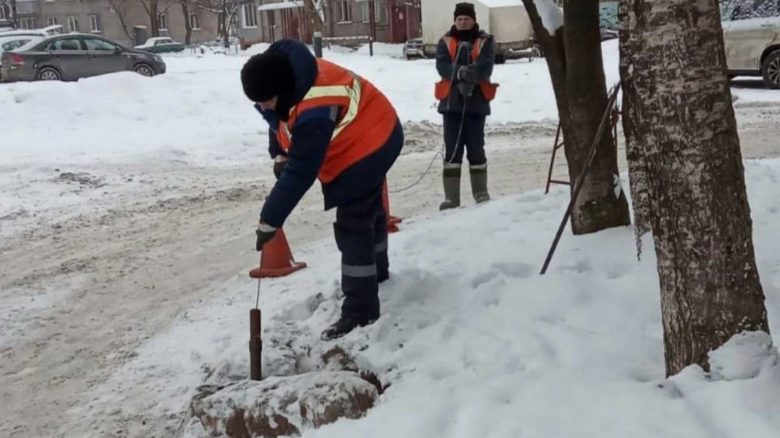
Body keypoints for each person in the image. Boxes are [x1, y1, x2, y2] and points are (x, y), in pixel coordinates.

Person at [241, 39, 403, 340]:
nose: (261, 107)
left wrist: (270, 220)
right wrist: (279, 152)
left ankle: (360, 311)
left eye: (265, 100)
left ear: (281, 90)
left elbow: (302, 171)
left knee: (353, 223)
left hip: (373, 140)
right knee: (370, 215)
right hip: (372, 129)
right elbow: (277, 118)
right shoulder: (288, 77)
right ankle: (377, 274)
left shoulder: (316, 103)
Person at [434, 2, 497, 210]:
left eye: (466, 19)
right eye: (459, 19)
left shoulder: (485, 40)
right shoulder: (445, 41)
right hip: (451, 104)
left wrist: (472, 73)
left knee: (476, 148)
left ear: (473, 20)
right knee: (452, 151)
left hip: (476, 102)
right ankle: (452, 199)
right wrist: (459, 73)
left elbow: (486, 64)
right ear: (455, 20)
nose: (463, 22)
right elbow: (442, 65)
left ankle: (481, 192)